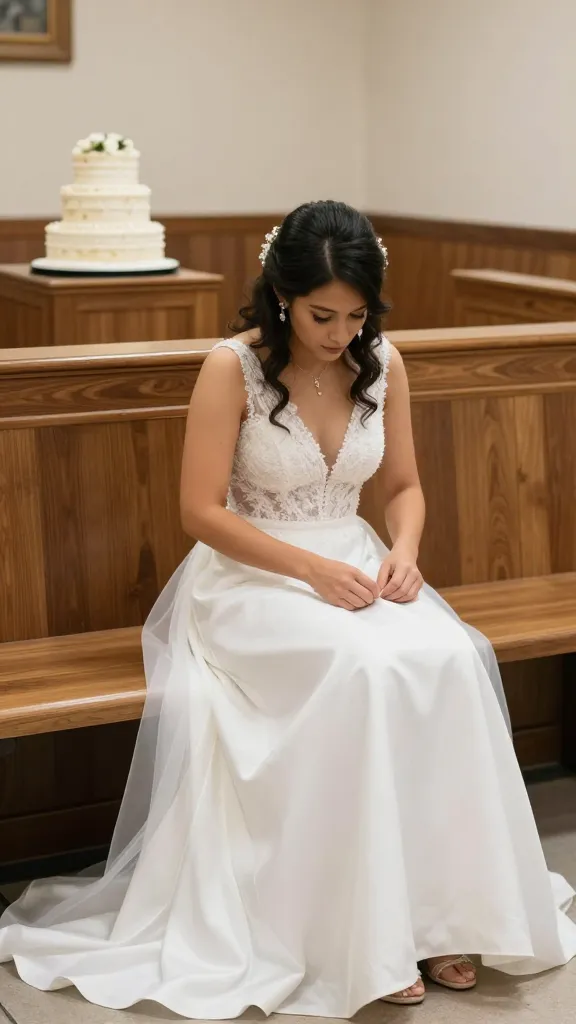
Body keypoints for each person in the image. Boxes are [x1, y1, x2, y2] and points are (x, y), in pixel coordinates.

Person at [0, 200, 575, 1017]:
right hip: (249, 578)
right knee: (365, 669)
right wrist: (306, 568)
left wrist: (404, 552)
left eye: (355, 315)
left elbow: (404, 488)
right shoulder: (228, 368)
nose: (339, 333)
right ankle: (363, 930)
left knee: (450, 656)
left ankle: (443, 912)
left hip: (358, 560)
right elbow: (201, 512)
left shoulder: (386, 364)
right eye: (320, 315)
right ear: (280, 296)